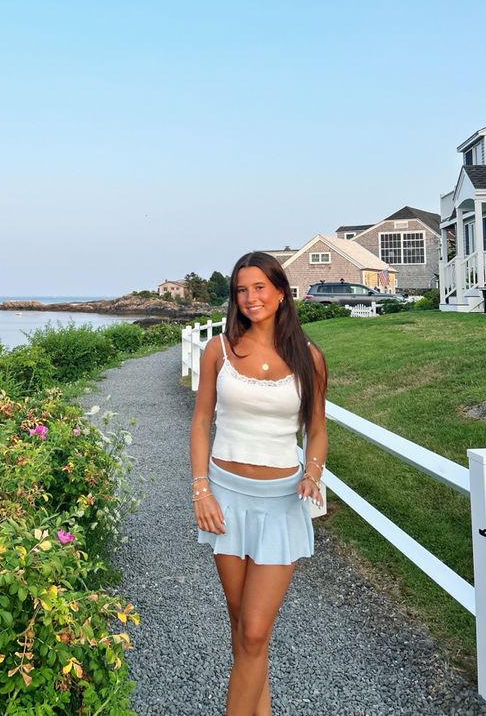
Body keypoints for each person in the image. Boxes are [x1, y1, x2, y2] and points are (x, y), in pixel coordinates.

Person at [190, 250, 328, 716]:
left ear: (281, 292)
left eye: (259, 288)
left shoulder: (309, 358)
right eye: (241, 290)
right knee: (243, 629)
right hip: (226, 498)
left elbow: (317, 428)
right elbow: (201, 421)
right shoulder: (219, 350)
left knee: (253, 631)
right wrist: (201, 489)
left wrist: (312, 472)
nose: (250, 298)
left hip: (281, 504)